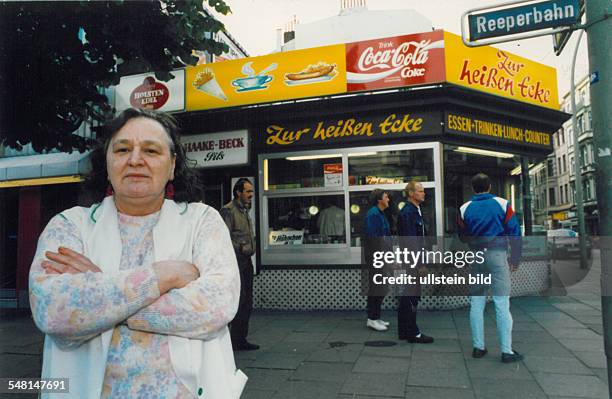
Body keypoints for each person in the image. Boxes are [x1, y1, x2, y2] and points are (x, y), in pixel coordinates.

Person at [29, 108, 247, 399]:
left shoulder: (202, 221)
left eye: (151, 150)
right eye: (122, 149)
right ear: (107, 164)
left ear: (172, 166)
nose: (135, 160)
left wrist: (101, 291)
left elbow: (218, 305)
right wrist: (162, 276)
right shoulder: (69, 226)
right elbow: (52, 311)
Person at [458, 173, 523, 363]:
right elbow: (515, 233)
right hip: (497, 255)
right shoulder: (503, 204)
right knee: (501, 302)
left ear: (473, 188)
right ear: (489, 187)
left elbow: (462, 235)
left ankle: (478, 347)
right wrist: (515, 258)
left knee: (476, 303)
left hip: (476, 256)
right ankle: (506, 351)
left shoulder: (464, 208)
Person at [220, 178, 259, 351]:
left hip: (246, 261)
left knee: (247, 302)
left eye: (251, 191)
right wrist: (242, 247)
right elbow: (223, 237)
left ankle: (240, 339)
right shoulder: (228, 211)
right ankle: (233, 340)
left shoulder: (244, 210)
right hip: (235, 262)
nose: (251, 195)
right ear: (238, 192)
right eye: (248, 191)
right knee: (239, 300)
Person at [397, 181, 434, 343]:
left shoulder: (415, 211)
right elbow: (411, 241)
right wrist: (420, 265)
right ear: (411, 193)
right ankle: (413, 333)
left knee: (408, 295)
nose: (423, 194)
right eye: (420, 191)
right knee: (412, 296)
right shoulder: (408, 212)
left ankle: (405, 331)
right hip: (413, 261)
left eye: (423, 191)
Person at [363, 189, 391, 331]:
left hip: (380, 255)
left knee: (380, 287)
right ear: (379, 199)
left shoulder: (379, 213)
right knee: (378, 287)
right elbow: (374, 238)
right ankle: (372, 319)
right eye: (386, 197)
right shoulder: (374, 214)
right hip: (376, 256)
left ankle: (376, 317)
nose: (388, 199)